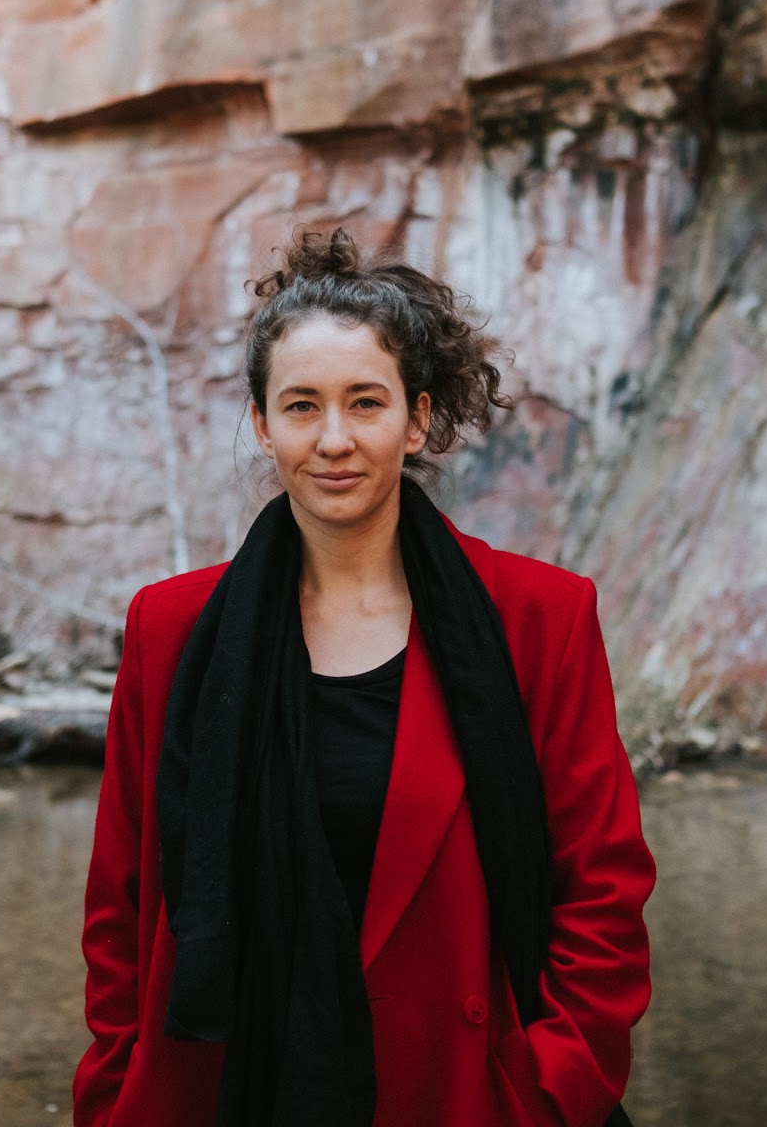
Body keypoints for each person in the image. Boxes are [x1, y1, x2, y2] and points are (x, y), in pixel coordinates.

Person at [73, 229, 655, 1127]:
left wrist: (543, 1093)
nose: (334, 440)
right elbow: (120, 904)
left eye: (365, 402)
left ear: (416, 420)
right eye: (302, 406)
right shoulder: (171, 630)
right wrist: (117, 1091)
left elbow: (603, 893)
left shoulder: (540, 619)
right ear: (263, 425)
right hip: (232, 1095)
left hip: (461, 1099)